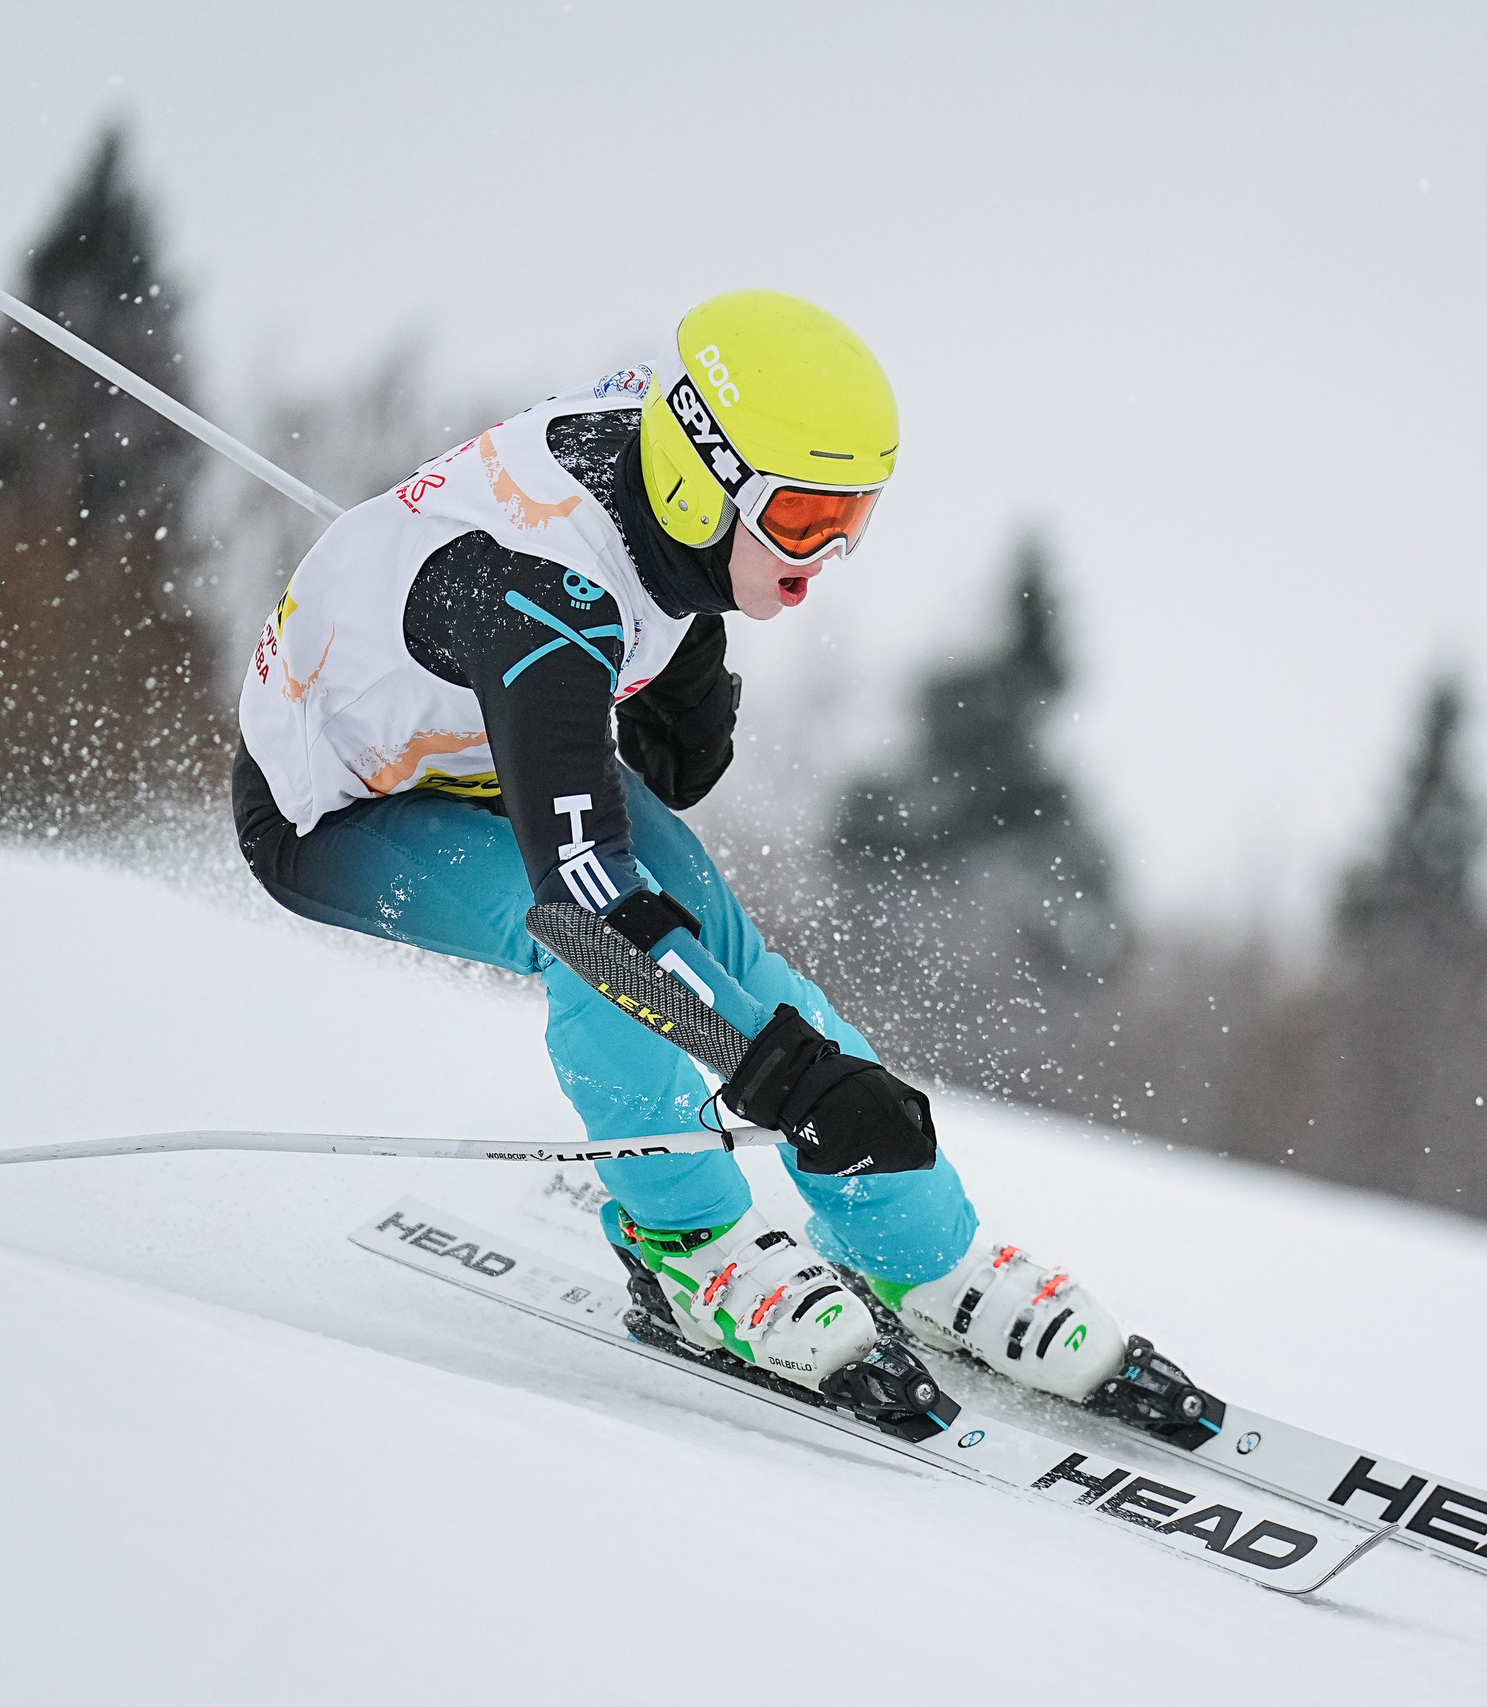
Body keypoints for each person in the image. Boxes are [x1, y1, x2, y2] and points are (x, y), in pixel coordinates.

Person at [233, 290, 1210, 1438]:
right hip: (341, 806)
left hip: (485, 742)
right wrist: (788, 1086)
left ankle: (914, 1252)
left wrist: (693, 632)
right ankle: (684, 1246)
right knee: (604, 959)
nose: (825, 560)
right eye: (801, 522)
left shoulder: (672, 461)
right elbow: (593, 906)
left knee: (735, 956)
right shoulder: (541, 604)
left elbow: (658, 515)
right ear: (704, 485)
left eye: (854, 519)